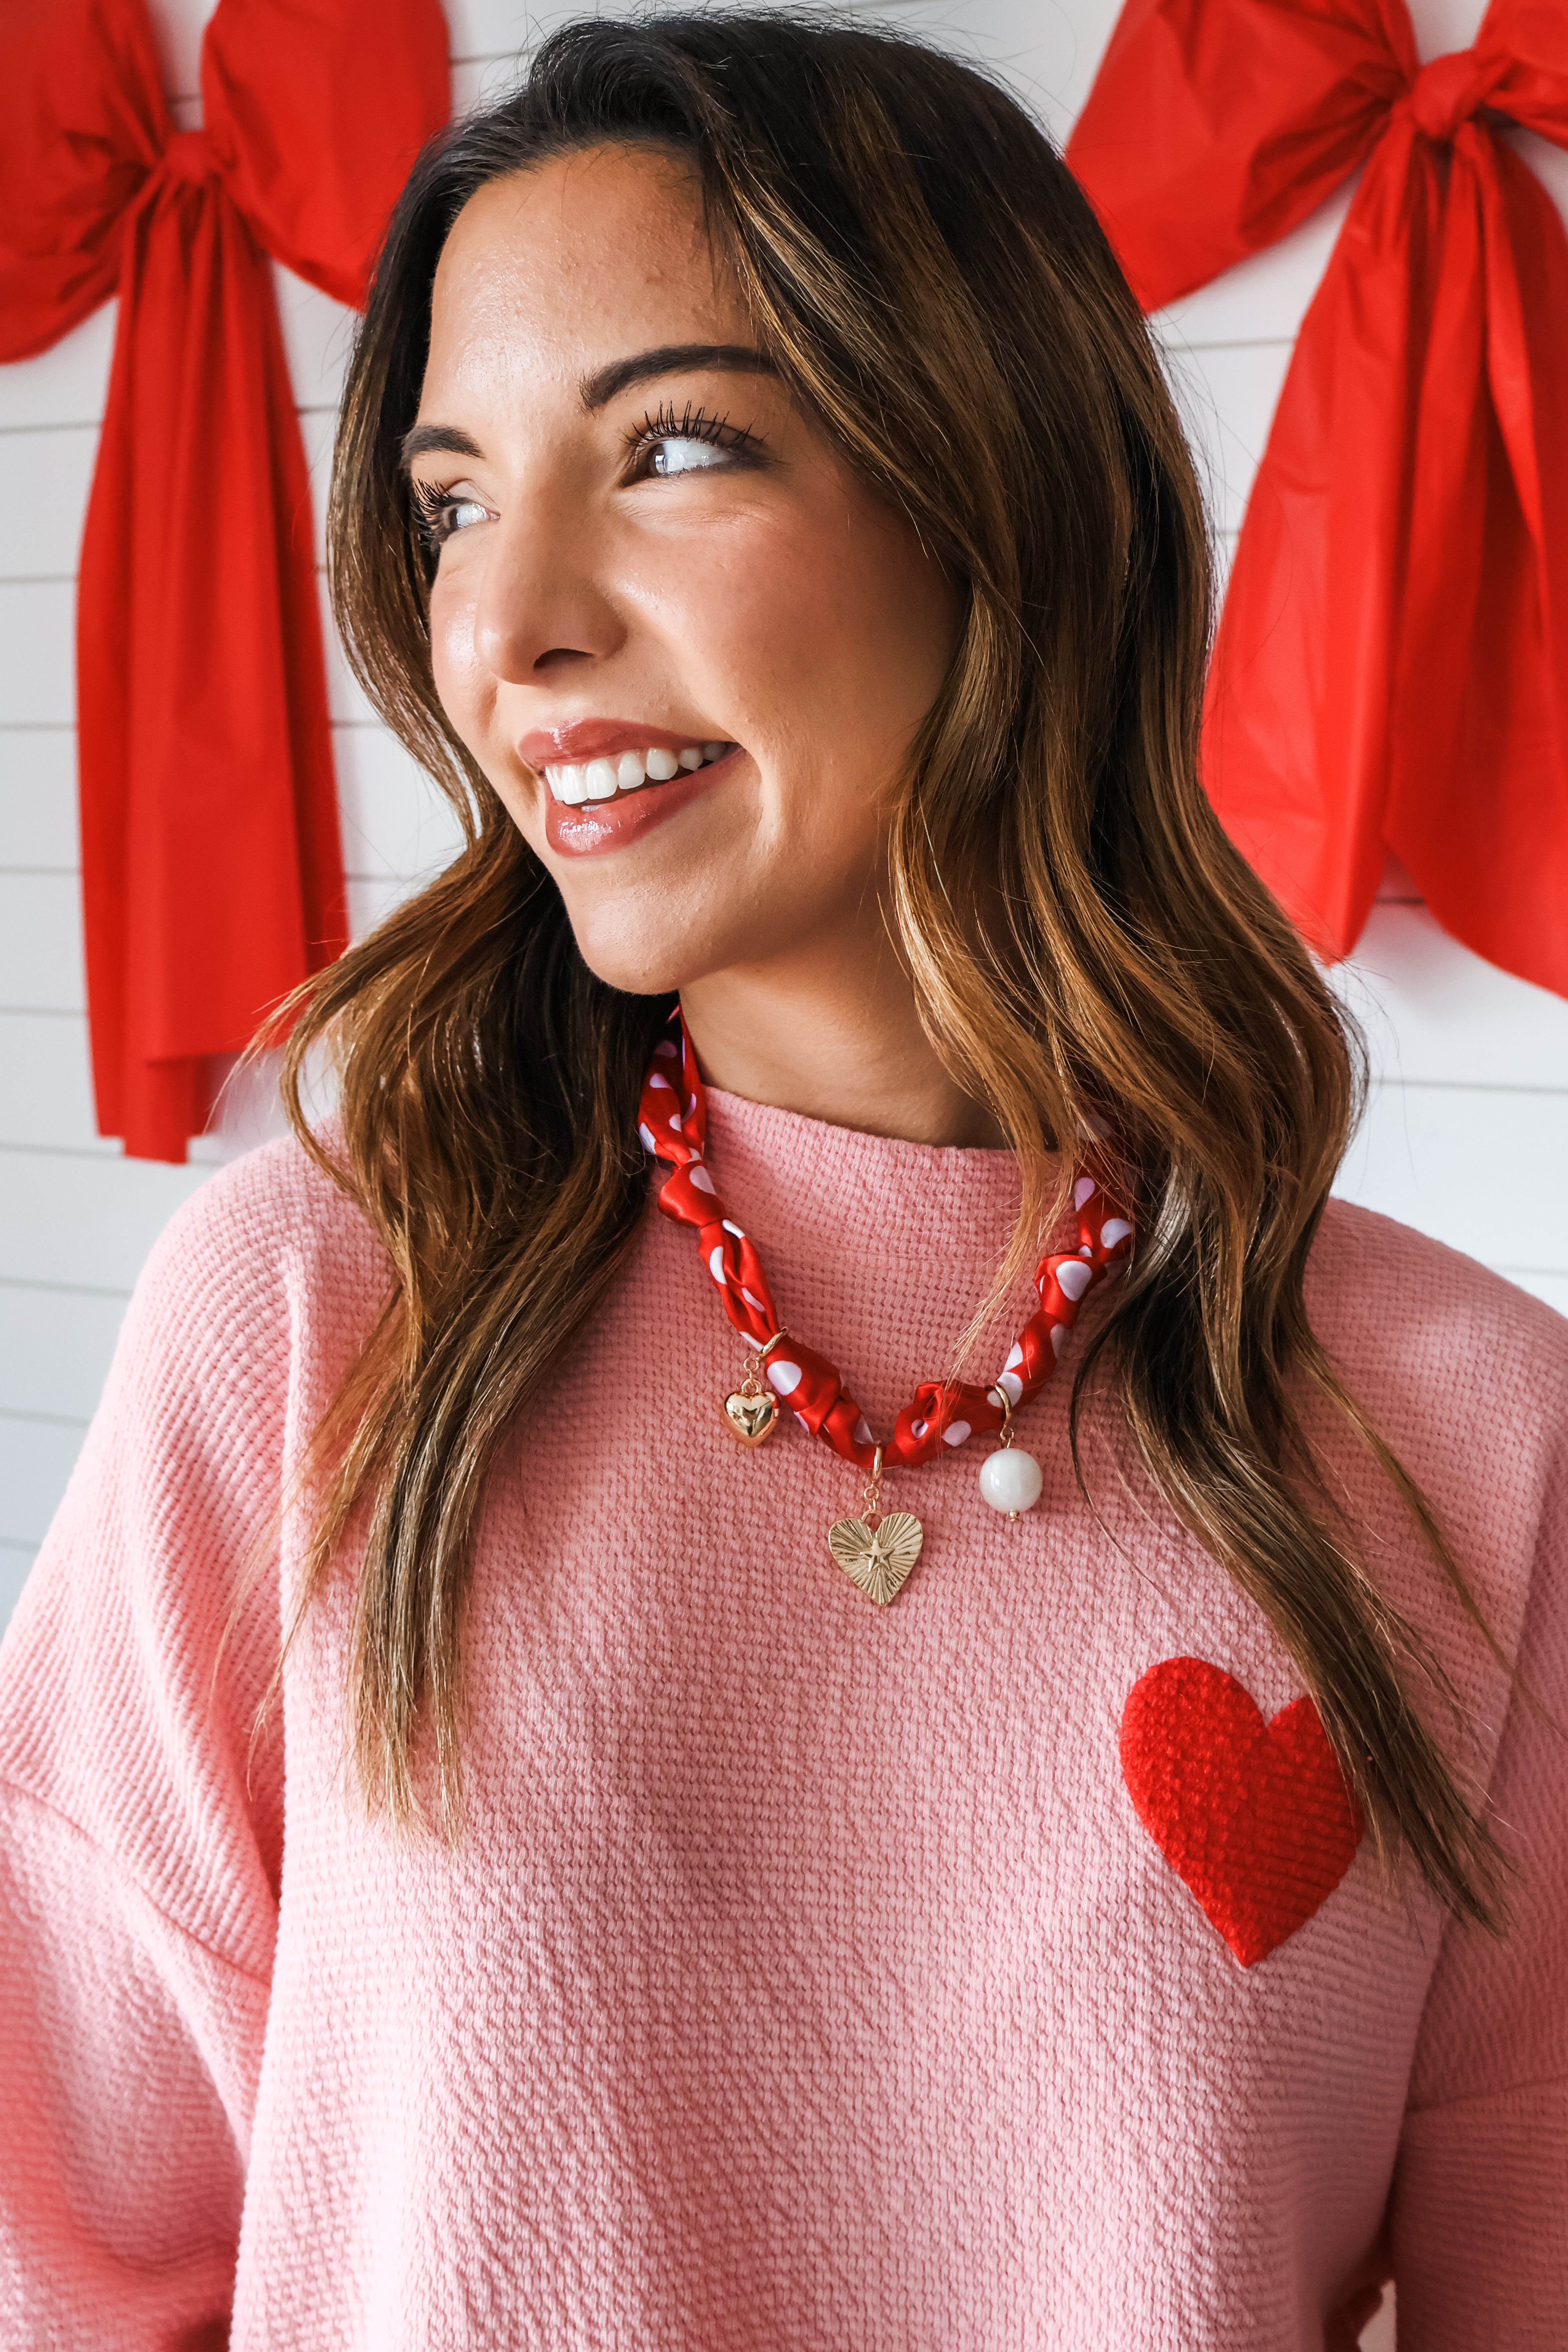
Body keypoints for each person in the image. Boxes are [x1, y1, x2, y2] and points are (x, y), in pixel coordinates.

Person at [1, 13, 1563, 2345]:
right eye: (451, 500)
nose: (505, 626)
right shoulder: (306, 1322)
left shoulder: (1481, 1433)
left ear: (1005, 498)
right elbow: (57, 2254)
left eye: (674, 451)